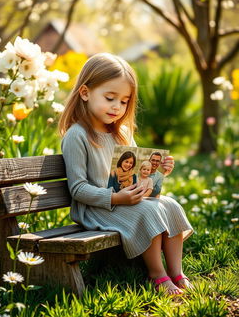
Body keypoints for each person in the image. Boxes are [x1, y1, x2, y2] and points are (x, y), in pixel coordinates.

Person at [59, 53, 193, 295]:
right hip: (96, 209)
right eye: (110, 98)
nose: (117, 107)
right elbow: (77, 189)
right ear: (85, 93)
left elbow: (136, 174)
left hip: (124, 201)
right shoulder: (77, 135)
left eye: (124, 101)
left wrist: (157, 173)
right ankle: (157, 275)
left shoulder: (120, 133)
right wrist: (116, 198)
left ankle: (176, 272)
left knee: (171, 205)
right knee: (150, 210)